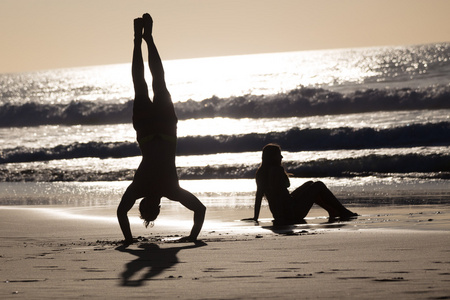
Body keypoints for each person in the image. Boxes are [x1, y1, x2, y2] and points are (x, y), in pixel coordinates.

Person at [117, 13, 206, 244]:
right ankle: (142, 39)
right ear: (151, 205)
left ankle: (145, 38)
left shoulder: (166, 190)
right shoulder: (147, 189)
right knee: (146, 84)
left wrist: (191, 238)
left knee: (154, 83)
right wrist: (190, 239)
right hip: (152, 132)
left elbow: (200, 210)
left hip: (162, 131)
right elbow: (121, 212)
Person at [248, 143, 357, 225]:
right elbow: (287, 184)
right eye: (279, 155)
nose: (281, 158)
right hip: (292, 213)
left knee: (310, 184)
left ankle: (332, 211)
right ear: (273, 157)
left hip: (280, 214)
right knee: (318, 185)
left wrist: (255, 217)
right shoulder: (277, 170)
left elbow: (259, 196)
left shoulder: (260, 173)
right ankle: (343, 211)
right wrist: (282, 171)